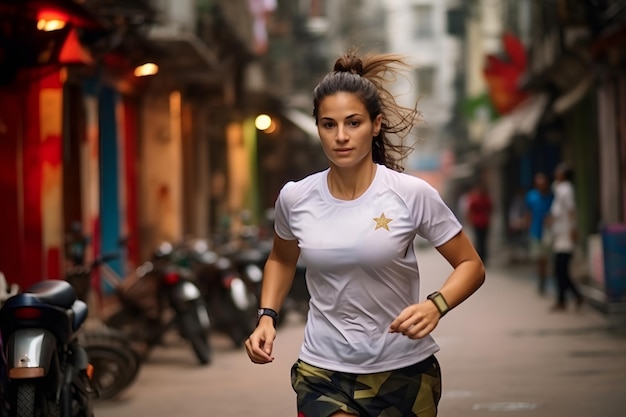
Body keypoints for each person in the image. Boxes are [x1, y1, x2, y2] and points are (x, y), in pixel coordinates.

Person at [245, 49, 486, 417]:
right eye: (329, 124)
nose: (341, 136)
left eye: (353, 123)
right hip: (323, 369)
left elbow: (470, 264)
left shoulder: (411, 193)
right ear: (318, 129)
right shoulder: (296, 197)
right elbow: (281, 257)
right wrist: (266, 316)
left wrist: (436, 305)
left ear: (376, 125)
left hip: (403, 370)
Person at [548, 163, 583, 311]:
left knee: (561, 269)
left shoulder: (566, 189)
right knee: (560, 270)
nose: (556, 172)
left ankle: (566, 299)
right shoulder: (559, 188)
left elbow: (571, 210)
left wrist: (573, 229)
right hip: (559, 234)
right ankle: (572, 297)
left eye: (560, 170)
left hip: (565, 235)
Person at [524, 172, 554, 295]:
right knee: (539, 258)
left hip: (548, 232)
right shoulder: (531, 197)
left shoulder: (551, 196)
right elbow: (528, 213)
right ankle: (541, 280)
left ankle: (545, 279)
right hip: (535, 231)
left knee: (547, 258)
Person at [465, 181, 493, 264]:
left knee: (480, 240)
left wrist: (469, 219)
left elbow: (469, 210)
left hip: (479, 222)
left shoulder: (477, 199)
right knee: (482, 240)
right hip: (481, 222)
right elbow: (490, 209)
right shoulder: (483, 199)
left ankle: (481, 257)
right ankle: (482, 258)